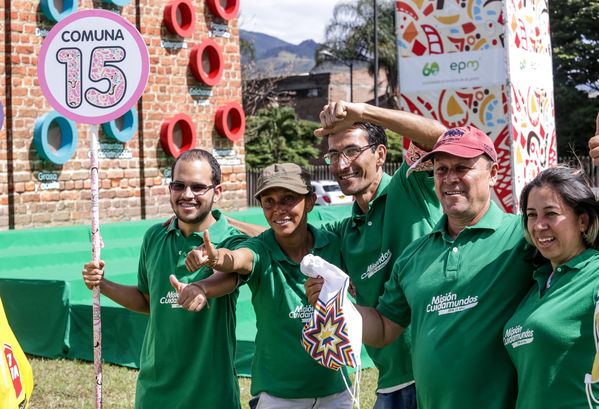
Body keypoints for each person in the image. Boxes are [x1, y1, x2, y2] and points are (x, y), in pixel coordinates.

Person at [350, 126, 535, 409]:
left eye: (462, 168)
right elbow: (385, 327)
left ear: (494, 173)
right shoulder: (413, 256)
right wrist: (337, 307)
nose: (450, 179)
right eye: (441, 169)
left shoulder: (524, 236)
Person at [82, 149, 245, 409]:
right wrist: (102, 284)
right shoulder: (154, 237)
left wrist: (201, 288)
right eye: (178, 185)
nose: (187, 194)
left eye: (198, 187)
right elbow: (147, 301)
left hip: (211, 395)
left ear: (218, 191)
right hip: (155, 392)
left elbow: (231, 274)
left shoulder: (233, 241)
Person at [307, 101, 445, 408]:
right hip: (390, 385)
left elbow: (442, 139)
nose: (341, 164)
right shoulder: (346, 231)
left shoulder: (410, 187)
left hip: (440, 374)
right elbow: (289, 233)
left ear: (380, 154)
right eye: (333, 154)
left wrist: (363, 112)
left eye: (351, 151)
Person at [185, 163, 353, 409]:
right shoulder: (261, 249)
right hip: (278, 396)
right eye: (269, 202)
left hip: (336, 393)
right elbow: (240, 258)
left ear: (309, 201)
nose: (279, 210)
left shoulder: (333, 243)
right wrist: (216, 258)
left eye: (288, 199)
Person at [502, 166, 599, 408]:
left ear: (583, 221)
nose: (539, 225)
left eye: (551, 213)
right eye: (532, 215)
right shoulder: (537, 283)